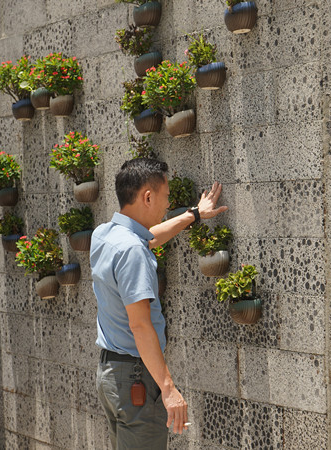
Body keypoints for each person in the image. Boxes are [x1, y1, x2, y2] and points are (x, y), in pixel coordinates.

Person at [91, 158, 228, 449]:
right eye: (165, 197)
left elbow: (149, 239)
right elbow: (140, 325)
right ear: (148, 197)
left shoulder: (103, 235)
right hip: (137, 381)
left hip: (111, 376)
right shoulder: (131, 251)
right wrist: (168, 389)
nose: (167, 205)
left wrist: (195, 214)